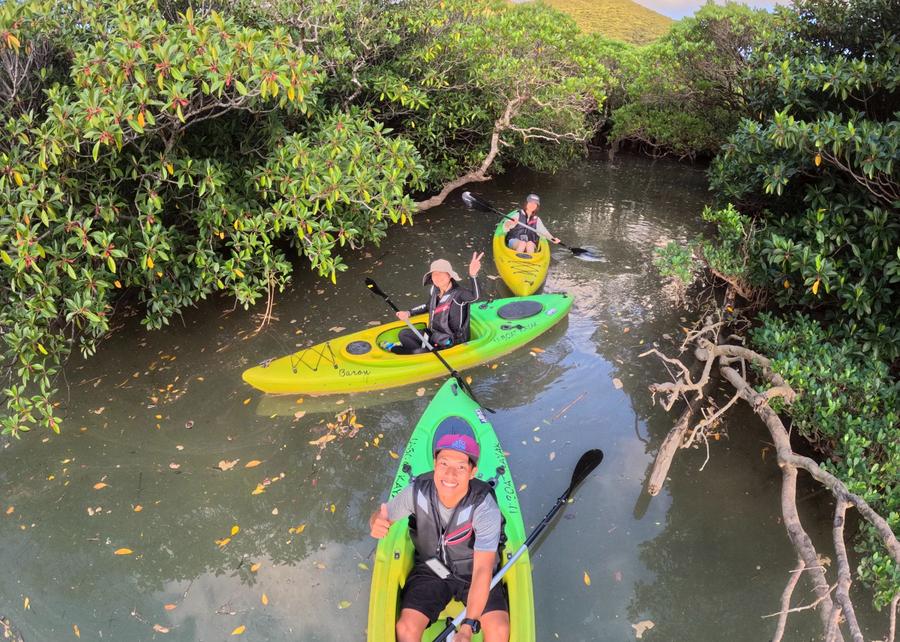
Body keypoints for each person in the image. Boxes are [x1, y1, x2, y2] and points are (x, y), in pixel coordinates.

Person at [369, 419, 509, 642]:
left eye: (461, 467)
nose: (450, 475)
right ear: (435, 462)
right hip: (433, 568)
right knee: (405, 629)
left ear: (473, 471)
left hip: (472, 575)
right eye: (444, 463)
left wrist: (468, 625)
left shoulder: (484, 507)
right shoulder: (415, 492)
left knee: (499, 631)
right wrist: (376, 521)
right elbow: (382, 515)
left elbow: (483, 570)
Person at [384, 253, 483, 354]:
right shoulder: (435, 291)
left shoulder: (460, 294)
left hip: (451, 342)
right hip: (434, 335)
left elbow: (476, 296)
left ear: (449, 276)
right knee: (403, 334)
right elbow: (427, 306)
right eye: (435, 274)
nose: (437, 276)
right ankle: (420, 351)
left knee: (418, 352)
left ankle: (396, 349)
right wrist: (408, 313)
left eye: (441, 273)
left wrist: (473, 275)